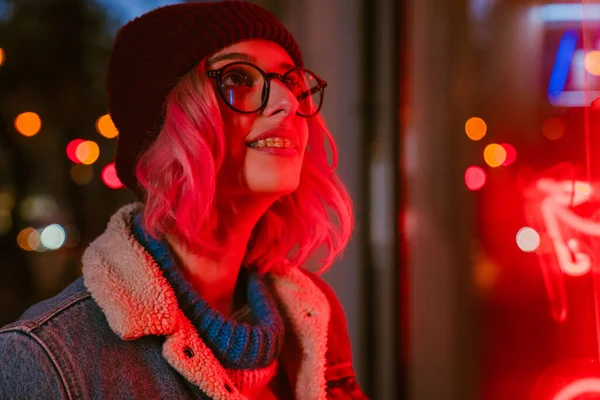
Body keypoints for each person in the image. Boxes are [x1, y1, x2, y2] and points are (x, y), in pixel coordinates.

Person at [0, 1, 367, 399]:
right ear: (164, 125)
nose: (289, 103)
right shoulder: (47, 355)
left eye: (292, 83)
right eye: (239, 77)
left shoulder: (314, 316)